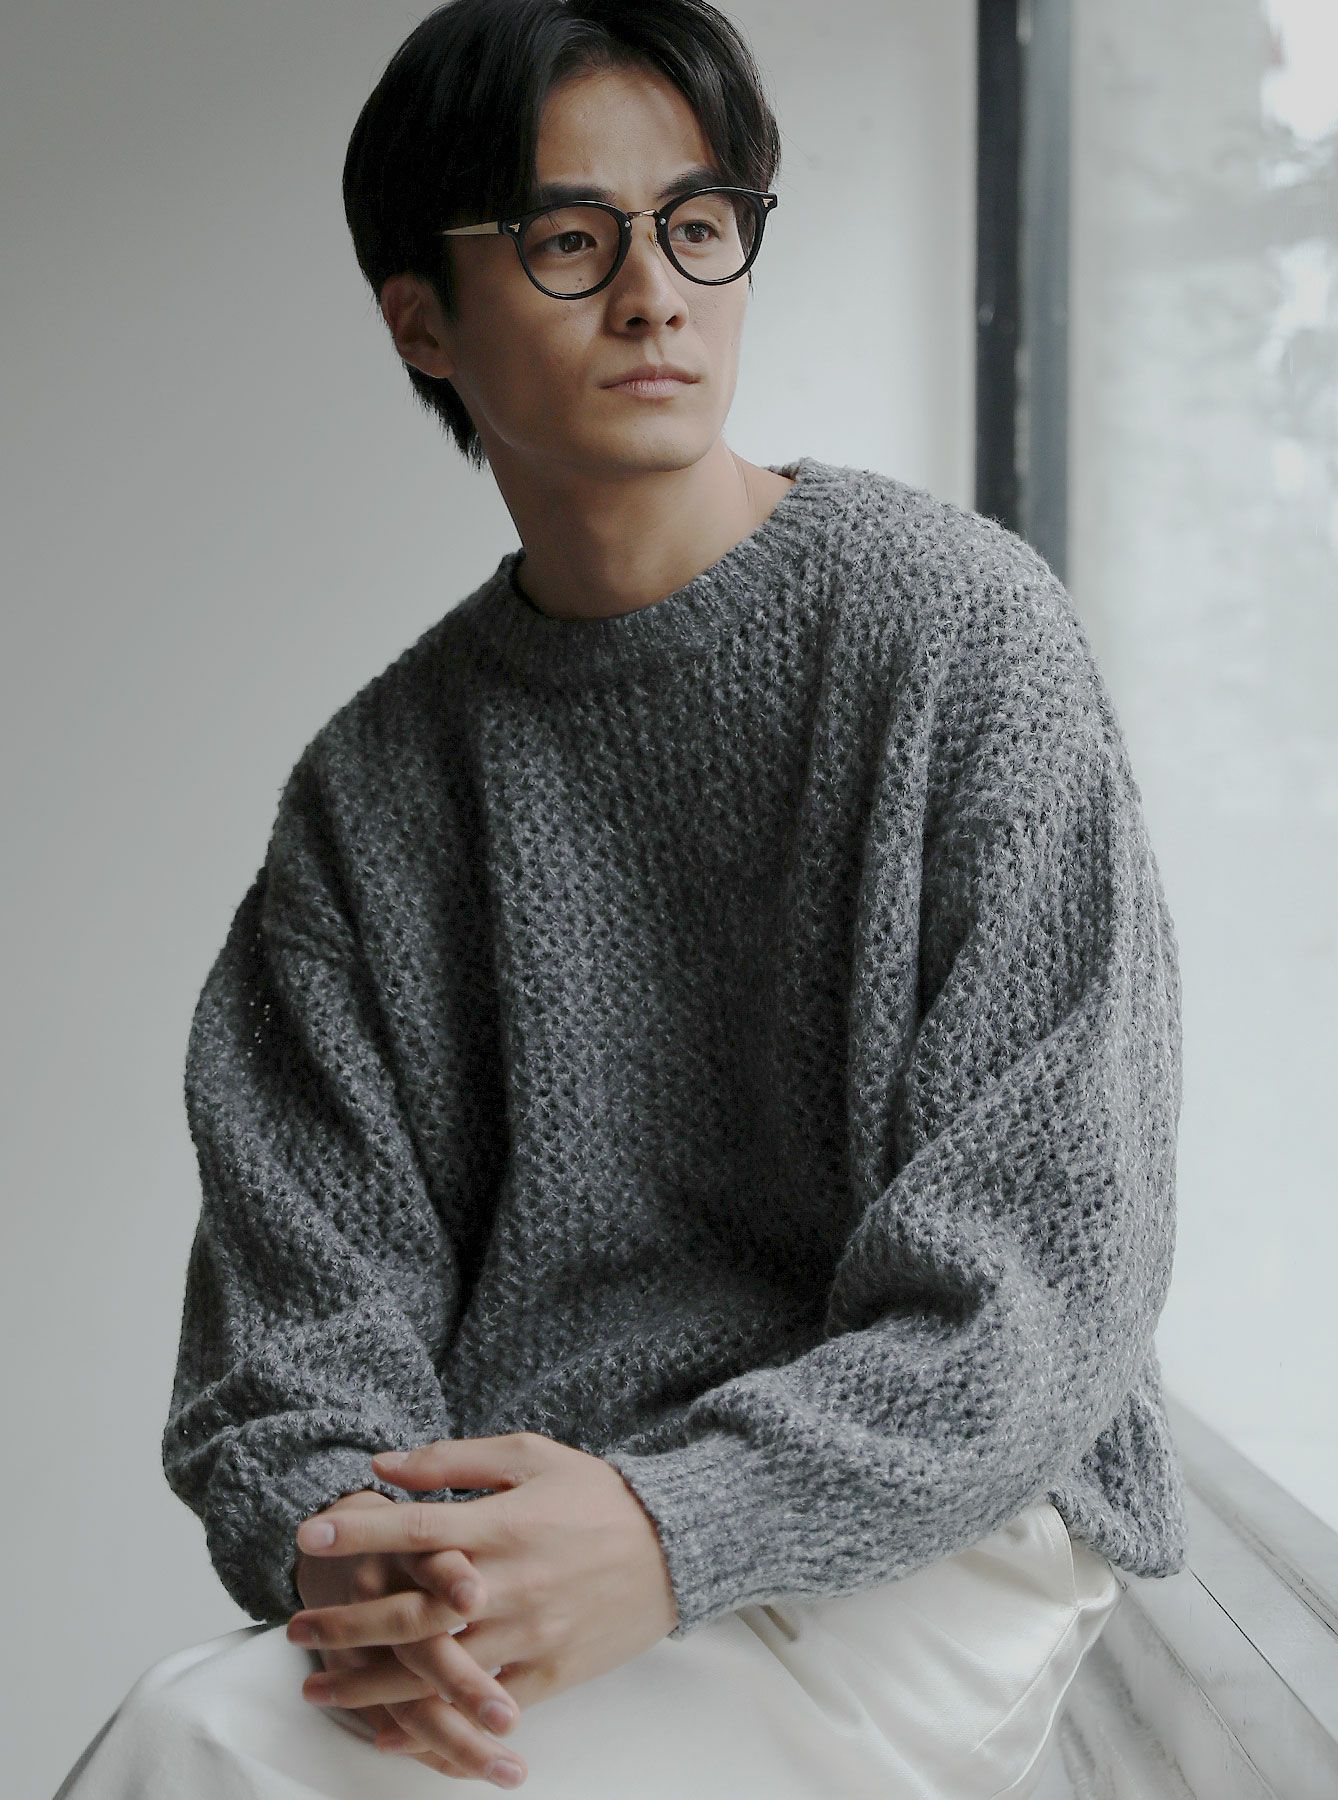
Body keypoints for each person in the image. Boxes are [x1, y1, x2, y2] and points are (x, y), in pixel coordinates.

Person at [54, 1, 1187, 1794]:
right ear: (421, 317)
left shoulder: (960, 636)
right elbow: (294, 1331)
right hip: (523, 1538)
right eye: (569, 240)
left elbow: (1048, 1280)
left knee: (197, 1755)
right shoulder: (375, 791)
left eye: (699, 223)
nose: (657, 295)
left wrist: (672, 1525)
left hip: (919, 1536)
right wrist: (356, 1552)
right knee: (193, 1733)